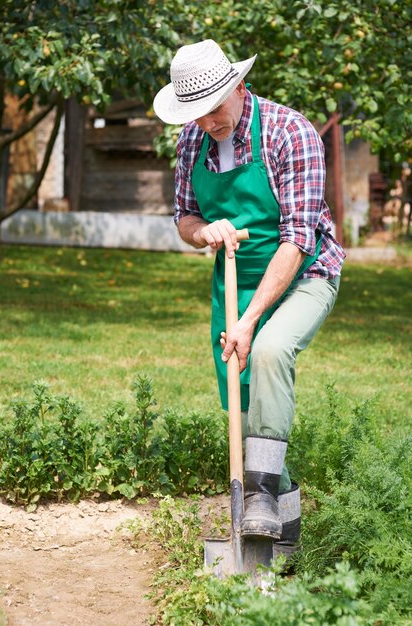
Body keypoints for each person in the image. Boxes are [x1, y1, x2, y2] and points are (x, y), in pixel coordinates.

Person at [153, 39, 345, 553]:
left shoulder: (291, 132)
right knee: (247, 409)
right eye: (195, 115)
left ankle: (258, 497)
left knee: (268, 350)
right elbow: (183, 218)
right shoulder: (192, 143)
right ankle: (283, 534)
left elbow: (300, 236)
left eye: (214, 109)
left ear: (239, 86)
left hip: (304, 272)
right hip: (235, 278)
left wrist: (251, 321)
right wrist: (204, 233)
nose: (207, 123)